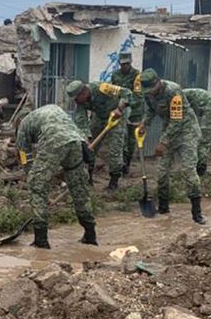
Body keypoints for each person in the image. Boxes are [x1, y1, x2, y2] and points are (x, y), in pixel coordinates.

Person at [16, 104, 96, 249]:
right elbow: (72, 127)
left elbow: (24, 156)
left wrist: (33, 179)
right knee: (79, 188)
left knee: (36, 186)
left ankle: (41, 240)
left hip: (53, 141)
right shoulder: (52, 109)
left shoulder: (23, 124)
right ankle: (90, 234)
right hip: (76, 142)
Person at [140, 69, 205, 224]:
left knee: (188, 170)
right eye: (147, 91)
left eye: (152, 89)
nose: (150, 93)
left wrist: (163, 142)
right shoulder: (147, 93)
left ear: (158, 81)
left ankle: (197, 213)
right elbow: (150, 111)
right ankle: (163, 208)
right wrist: (144, 124)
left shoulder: (173, 91)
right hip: (168, 130)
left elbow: (177, 121)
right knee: (162, 172)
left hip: (186, 131)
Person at [67, 79, 131, 190]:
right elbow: (81, 121)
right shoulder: (80, 103)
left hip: (117, 117)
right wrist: (87, 137)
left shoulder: (102, 88)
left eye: (76, 98)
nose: (76, 102)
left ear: (84, 92)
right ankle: (89, 178)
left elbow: (127, 93)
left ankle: (114, 180)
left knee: (114, 149)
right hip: (100, 117)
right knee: (89, 148)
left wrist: (119, 108)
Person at [109, 51, 143, 174]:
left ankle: (128, 161)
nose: (125, 66)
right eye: (123, 64)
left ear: (130, 63)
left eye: (127, 64)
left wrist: (127, 103)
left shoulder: (137, 75)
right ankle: (122, 162)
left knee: (131, 139)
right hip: (120, 110)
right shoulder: (115, 75)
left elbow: (138, 95)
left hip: (134, 110)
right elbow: (113, 91)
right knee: (121, 135)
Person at [183, 88, 211, 176]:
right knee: (206, 141)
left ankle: (200, 170)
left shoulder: (177, 97)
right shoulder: (183, 94)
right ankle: (200, 167)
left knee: (203, 142)